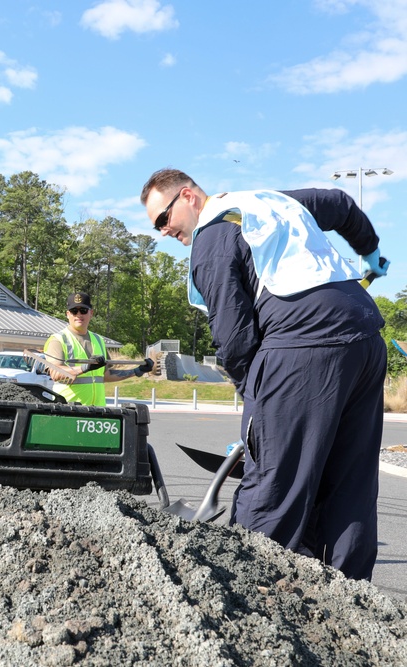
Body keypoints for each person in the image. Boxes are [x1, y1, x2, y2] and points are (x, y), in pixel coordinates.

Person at [140, 168, 387, 581]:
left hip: (305, 340)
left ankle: (250, 588)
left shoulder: (212, 237)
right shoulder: (273, 201)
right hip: (363, 333)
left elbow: (235, 339)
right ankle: (352, 597)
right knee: (351, 481)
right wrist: (370, 252)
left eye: (163, 219)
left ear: (188, 197)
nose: (163, 231)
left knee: (273, 483)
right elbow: (341, 204)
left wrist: (257, 409)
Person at [42, 291, 153, 406]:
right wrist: (86, 367)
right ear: (68, 314)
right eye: (74, 311)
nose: (79, 315)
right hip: (68, 410)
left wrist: (137, 371)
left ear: (91, 313)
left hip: (97, 412)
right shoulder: (58, 340)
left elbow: (105, 375)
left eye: (83, 311)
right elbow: (55, 373)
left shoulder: (99, 340)